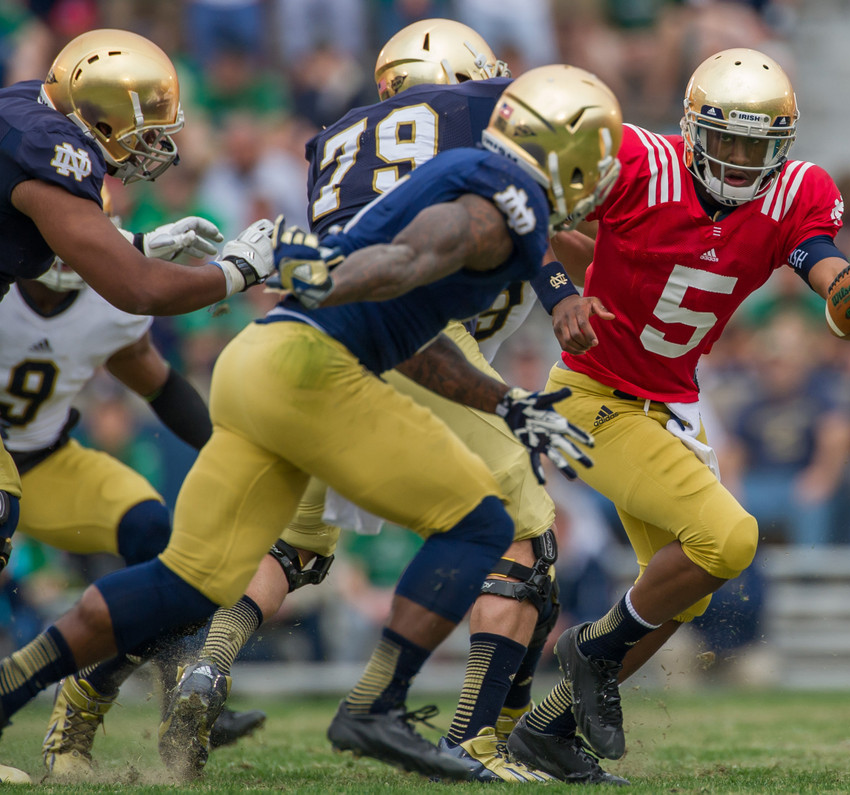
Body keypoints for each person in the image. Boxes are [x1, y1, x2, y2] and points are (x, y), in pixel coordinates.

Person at [0, 63, 622, 784]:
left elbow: (412, 338)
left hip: (258, 362)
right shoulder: (501, 202)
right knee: (484, 523)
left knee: (187, 581)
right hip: (316, 372)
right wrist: (324, 273)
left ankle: (14, 689)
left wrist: (504, 401)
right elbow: (407, 259)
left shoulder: (472, 176)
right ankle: (377, 706)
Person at [157, 20, 559, 783]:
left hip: (318, 337)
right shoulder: (477, 126)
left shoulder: (337, 142)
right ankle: (471, 738)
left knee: (293, 545)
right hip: (418, 338)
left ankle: (207, 668)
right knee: (521, 539)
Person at [502, 48, 850, 782]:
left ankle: (549, 730)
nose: (739, 159)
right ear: (693, 129)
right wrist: (562, 292)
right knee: (729, 538)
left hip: (672, 401)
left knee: (682, 588)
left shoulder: (797, 193)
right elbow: (526, 209)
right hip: (593, 392)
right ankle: (590, 650)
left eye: (756, 146)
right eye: (726, 140)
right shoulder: (637, 163)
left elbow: (817, 258)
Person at [0, 27, 277, 614]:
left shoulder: (31, 109)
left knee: (148, 529)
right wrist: (237, 272)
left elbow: (53, 244)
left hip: (44, 453)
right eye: (144, 126)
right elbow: (136, 288)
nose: (152, 143)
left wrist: (140, 242)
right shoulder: (50, 150)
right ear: (99, 117)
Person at [3, 210, 265, 779]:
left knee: (156, 537)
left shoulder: (106, 304)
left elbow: (158, 382)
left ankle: (173, 705)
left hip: (47, 461)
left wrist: (227, 454)